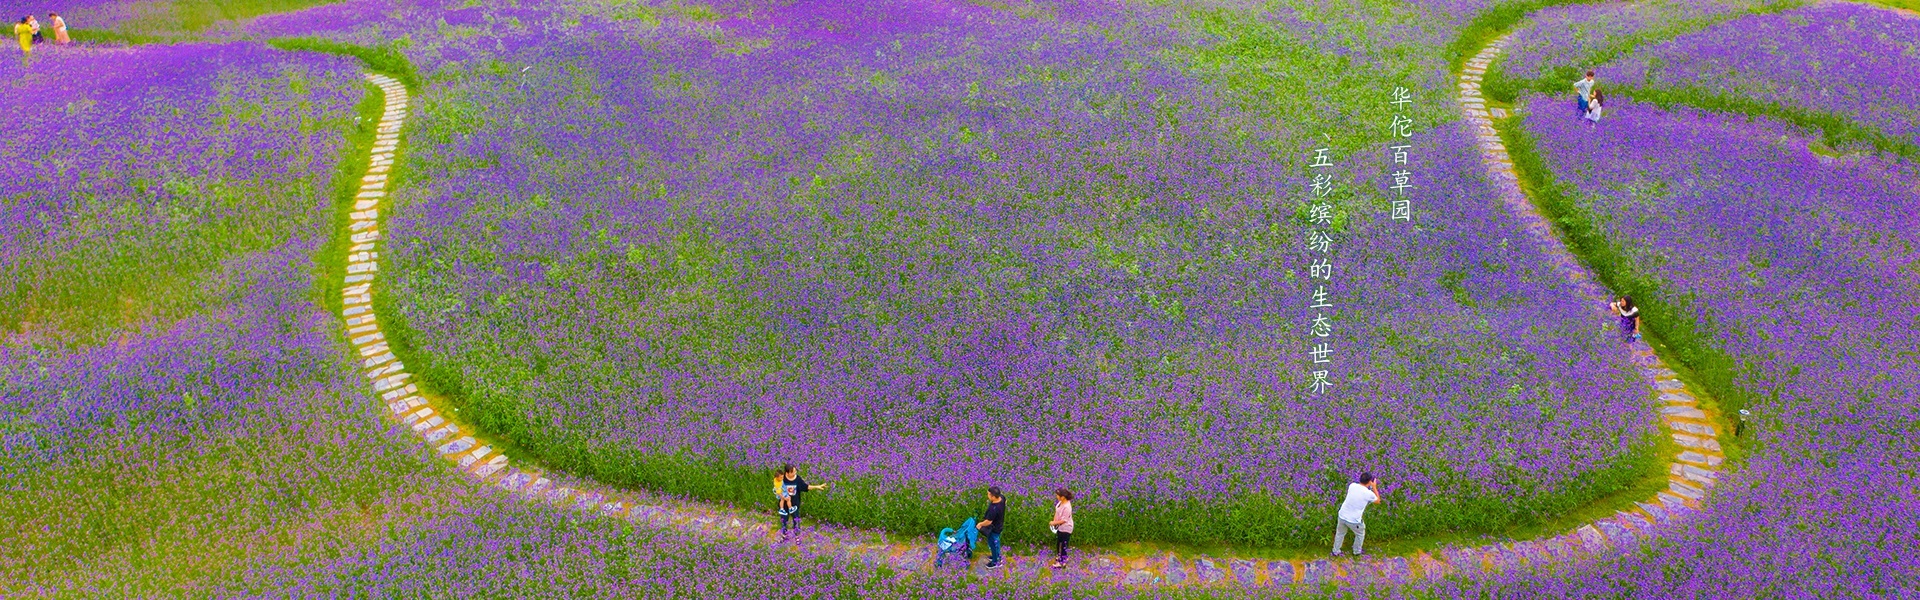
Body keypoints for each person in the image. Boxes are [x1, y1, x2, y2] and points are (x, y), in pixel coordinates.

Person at [1333, 472, 1381, 557]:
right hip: (1354, 520)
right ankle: (1357, 551)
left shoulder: (1352, 486)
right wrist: (1374, 487)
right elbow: (1378, 501)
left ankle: (1335, 551)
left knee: (1340, 533)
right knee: (1360, 534)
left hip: (1342, 515)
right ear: (1370, 481)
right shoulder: (1368, 494)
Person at [777, 464, 827, 537]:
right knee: (784, 520)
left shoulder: (798, 479)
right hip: (783, 505)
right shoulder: (781, 479)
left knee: (796, 520)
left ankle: (797, 536)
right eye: (793, 472)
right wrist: (783, 497)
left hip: (794, 505)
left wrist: (817, 486)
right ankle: (784, 535)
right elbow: (777, 490)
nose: (795, 473)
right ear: (787, 473)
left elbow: (806, 487)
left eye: (795, 471)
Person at [974, 487, 1006, 569]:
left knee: (993, 544)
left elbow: (988, 521)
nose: (987, 496)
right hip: (999, 525)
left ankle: (995, 562)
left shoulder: (994, 509)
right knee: (996, 542)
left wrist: (980, 524)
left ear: (993, 496)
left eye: (988, 494)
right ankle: (997, 556)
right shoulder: (1002, 498)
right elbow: (1005, 501)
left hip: (994, 528)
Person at [1048, 488, 1074, 569]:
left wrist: (1053, 523)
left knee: (1062, 545)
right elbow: (1057, 511)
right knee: (1060, 543)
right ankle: (1064, 557)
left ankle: (1061, 562)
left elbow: (1064, 520)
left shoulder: (1067, 507)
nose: (1056, 496)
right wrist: (1055, 520)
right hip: (1060, 527)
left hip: (1066, 528)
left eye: (1058, 495)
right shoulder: (1061, 503)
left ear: (1062, 497)